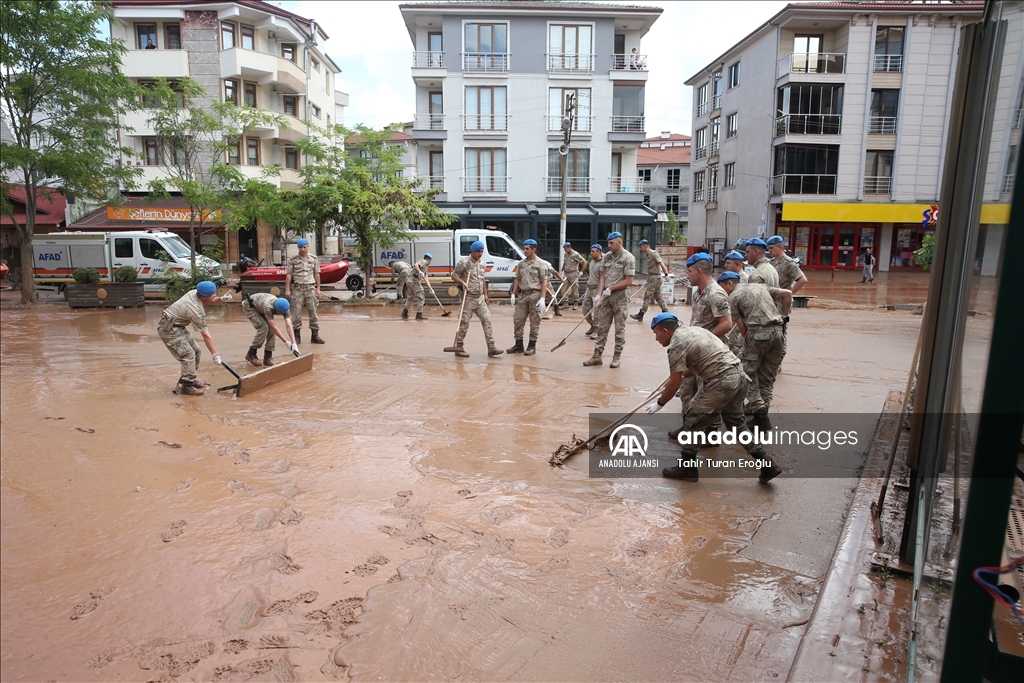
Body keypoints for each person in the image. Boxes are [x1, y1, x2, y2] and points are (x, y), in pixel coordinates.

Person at [643, 312, 781, 484]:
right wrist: (678, 377)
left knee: (692, 419)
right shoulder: (696, 331)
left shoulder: (676, 345)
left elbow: (674, 384)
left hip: (722, 381)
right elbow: (700, 364)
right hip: (739, 377)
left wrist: (659, 403)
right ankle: (767, 464)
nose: (656, 339)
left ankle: (687, 468)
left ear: (666, 331)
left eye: (656, 333)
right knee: (737, 425)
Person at [717, 271, 793, 431]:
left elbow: (742, 329)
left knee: (744, 374)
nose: (723, 291)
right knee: (767, 377)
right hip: (778, 332)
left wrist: (745, 340)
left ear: (729, 284)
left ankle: (761, 414)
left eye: (723, 287)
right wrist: (785, 318)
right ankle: (762, 416)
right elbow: (787, 294)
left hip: (758, 334)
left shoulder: (733, 297)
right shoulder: (761, 287)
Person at [157, 280, 223, 396]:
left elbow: (211, 300)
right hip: (169, 330)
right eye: (213, 294)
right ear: (203, 297)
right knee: (188, 355)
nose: (215, 295)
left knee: (196, 351)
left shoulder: (195, 292)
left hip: (178, 325)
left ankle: (188, 378)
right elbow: (205, 335)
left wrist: (222, 299)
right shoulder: (195, 310)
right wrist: (215, 354)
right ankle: (187, 386)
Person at [584, 231, 635, 368]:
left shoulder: (628, 258)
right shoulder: (607, 257)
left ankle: (616, 357)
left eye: (611, 243)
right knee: (602, 328)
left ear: (620, 242)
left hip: (621, 298)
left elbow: (629, 280)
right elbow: (603, 277)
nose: (609, 245)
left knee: (619, 329)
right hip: (606, 297)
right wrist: (599, 294)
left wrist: (611, 288)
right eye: (608, 243)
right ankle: (597, 356)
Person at [446, 241, 503, 358]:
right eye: (479, 251)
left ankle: (491, 347)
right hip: (469, 298)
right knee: (464, 323)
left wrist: (486, 295)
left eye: (482, 251)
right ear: (473, 251)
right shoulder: (464, 262)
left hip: (480, 298)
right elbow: (454, 275)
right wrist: (462, 282)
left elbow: (482, 280)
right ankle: (459, 347)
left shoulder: (482, 263)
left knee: (487, 320)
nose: (481, 254)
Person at [507, 239, 554, 356]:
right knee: (518, 319)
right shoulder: (521, 264)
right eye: (524, 248)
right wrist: (513, 294)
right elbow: (517, 279)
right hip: (523, 295)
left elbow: (544, 282)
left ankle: (532, 346)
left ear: (534, 249)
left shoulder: (541, 264)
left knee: (534, 321)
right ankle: (518, 344)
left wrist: (543, 298)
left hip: (535, 295)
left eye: (527, 248)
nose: (525, 251)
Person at [767, 235, 807, 360]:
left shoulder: (788, 263)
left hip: (782, 302)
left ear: (780, 247)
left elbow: (803, 280)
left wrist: (789, 292)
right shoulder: (772, 263)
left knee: (780, 330)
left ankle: (779, 359)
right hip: (771, 300)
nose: (770, 251)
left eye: (772, 248)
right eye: (769, 248)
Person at [241, 292, 298, 367]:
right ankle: (251, 354)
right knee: (264, 327)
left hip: (260, 307)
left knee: (271, 329)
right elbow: (274, 326)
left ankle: (268, 357)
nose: (281, 315)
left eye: (282, 313)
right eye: (280, 313)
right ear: (275, 309)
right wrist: (286, 342)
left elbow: (289, 325)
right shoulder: (268, 306)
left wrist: (294, 343)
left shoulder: (285, 307)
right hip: (250, 306)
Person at [285, 238, 324, 344]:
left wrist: (318, 289)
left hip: (310, 288)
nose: (302, 249)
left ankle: (315, 336)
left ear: (308, 246)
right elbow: (289, 275)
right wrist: (287, 289)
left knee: (313, 312)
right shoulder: (293, 259)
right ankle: (297, 336)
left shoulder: (313, 258)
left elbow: (317, 274)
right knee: (296, 314)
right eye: (300, 247)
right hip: (298, 289)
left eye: (304, 247)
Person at [631, 239, 670, 323]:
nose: (640, 249)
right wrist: (647, 281)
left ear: (646, 246)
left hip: (656, 277)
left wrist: (666, 274)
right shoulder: (648, 255)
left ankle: (641, 314)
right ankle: (666, 312)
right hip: (653, 277)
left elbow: (661, 263)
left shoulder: (653, 253)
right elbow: (650, 269)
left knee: (647, 296)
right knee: (658, 296)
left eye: (641, 247)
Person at [581, 244, 604, 337]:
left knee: (597, 312)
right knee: (585, 309)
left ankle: (597, 329)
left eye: (593, 251)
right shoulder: (592, 262)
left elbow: (603, 279)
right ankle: (592, 325)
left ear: (599, 251)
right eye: (591, 251)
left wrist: (599, 294)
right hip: (589, 288)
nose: (591, 253)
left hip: (597, 289)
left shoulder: (603, 263)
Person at [560, 242, 587, 310]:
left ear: (569, 247)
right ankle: (565, 304)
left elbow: (584, 262)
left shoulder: (575, 254)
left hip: (573, 273)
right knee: (563, 289)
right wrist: (562, 269)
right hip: (566, 273)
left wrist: (581, 272)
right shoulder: (566, 254)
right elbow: (565, 262)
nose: (564, 250)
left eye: (565, 248)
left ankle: (575, 303)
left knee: (575, 289)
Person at [411, 254, 432, 319]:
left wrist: (430, 288)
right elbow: (416, 265)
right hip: (414, 280)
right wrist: (419, 271)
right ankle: (419, 314)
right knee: (421, 296)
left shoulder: (426, 267)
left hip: (410, 280)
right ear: (429, 260)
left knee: (410, 297)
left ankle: (404, 313)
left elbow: (426, 278)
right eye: (431, 260)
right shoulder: (424, 261)